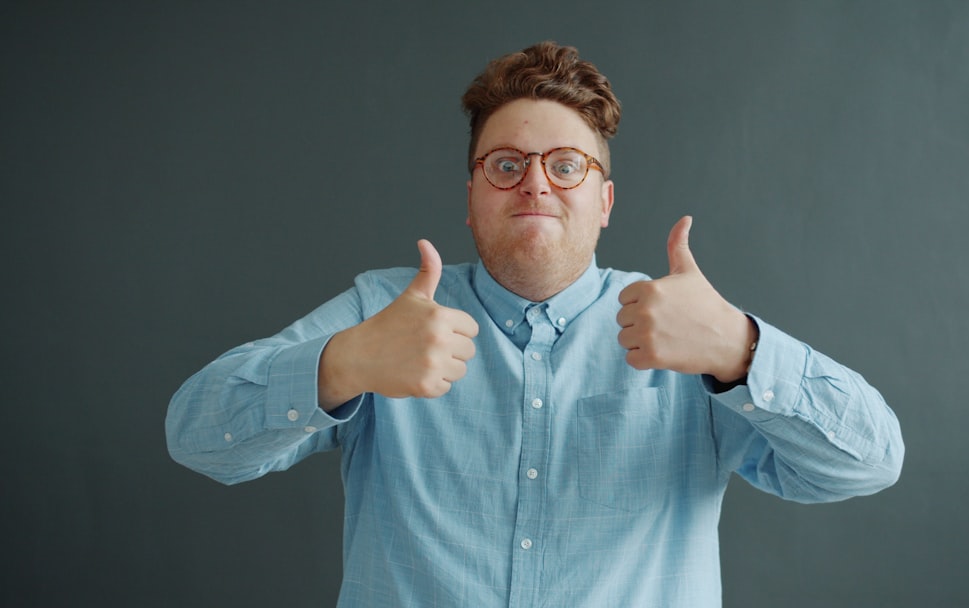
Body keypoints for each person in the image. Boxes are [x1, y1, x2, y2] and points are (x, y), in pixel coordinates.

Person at [166, 41, 904, 607]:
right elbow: (197, 438)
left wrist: (745, 354)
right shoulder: (385, 315)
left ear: (605, 201)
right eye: (507, 164)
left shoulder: (689, 332)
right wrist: (341, 365)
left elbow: (869, 463)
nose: (535, 183)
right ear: (471, 195)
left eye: (567, 165)